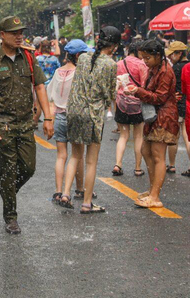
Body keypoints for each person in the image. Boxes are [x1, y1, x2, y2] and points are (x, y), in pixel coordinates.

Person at [0, 16, 52, 234]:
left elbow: (39, 86)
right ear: (3, 35)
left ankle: (7, 192)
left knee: (29, 168)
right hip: (3, 124)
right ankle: (11, 216)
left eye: (21, 32)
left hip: (26, 122)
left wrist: (48, 117)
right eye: (14, 33)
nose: (19, 36)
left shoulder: (28, 57)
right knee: (8, 171)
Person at [61, 27, 120, 213]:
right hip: (93, 115)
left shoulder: (84, 58)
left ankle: (65, 194)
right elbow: (110, 94)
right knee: (91, 162)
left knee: (75, 156)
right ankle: (87, 203)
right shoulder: (111, 64)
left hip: (74, 111)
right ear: (114, 46)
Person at [125, 39, 178, 209]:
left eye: (147, 58)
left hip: (164, 116)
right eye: (143, 58)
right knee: (145, 150)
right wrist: (137, 90)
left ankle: (155, 196)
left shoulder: (165, 71)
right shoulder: (155, 68)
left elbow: (160, 97)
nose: (145, 61)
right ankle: (152, 189)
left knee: (157, 155)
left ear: (157, 55)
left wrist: (138, 91)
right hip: (154, 115)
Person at [47, 40, 90, 204]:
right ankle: (78, 189)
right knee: (78, 155)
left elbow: (49, 94)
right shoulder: (80, 73)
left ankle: (58, 191)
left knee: (61, 156)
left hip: (58, 117)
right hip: (74, 117)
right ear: (78, 55)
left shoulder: (58, 72)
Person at [113, 40, 148, 177]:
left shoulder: (119, 63)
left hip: (121, 102)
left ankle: (118, 164)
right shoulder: (142, 65)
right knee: (138, 136)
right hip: (137, 104)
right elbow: (144, 86)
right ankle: (138, 168)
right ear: (139, 51)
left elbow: (116, 83)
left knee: (123, 135)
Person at [166, 41, 188, 174]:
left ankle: (172, 165)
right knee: (187, 136)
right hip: (188, 103)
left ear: (179, 54)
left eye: (172, 54)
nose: (170, 57)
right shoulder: (189, 66)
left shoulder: (175, 68)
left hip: (177, 104)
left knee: (175, 135)